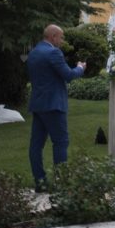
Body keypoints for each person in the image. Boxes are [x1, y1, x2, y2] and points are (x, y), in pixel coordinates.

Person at [27, 24, 86, 192]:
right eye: (61, 37)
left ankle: (40, 182)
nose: (62, 40)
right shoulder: (53, 52)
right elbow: (68, 75)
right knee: (60, 142)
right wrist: (80, 68)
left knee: (36, 145)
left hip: (38, 105)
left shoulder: (34, 52)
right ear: (53, 37)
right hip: (53, 105)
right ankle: (62, 183)